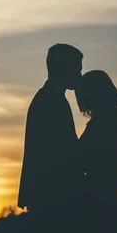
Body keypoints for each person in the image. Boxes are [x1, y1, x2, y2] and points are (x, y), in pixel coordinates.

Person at [17, 43, 85, 214]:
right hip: (53, 198)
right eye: (77, 70)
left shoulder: (47, 98)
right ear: (64, 69)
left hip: (46, 195)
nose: (80, 75)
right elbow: (63, 152)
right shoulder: (52, 102)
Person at [76, 70, 117, 225]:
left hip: (103, 197)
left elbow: (86, 157)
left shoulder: (104, 122)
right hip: (112, 192)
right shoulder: (114, 117)